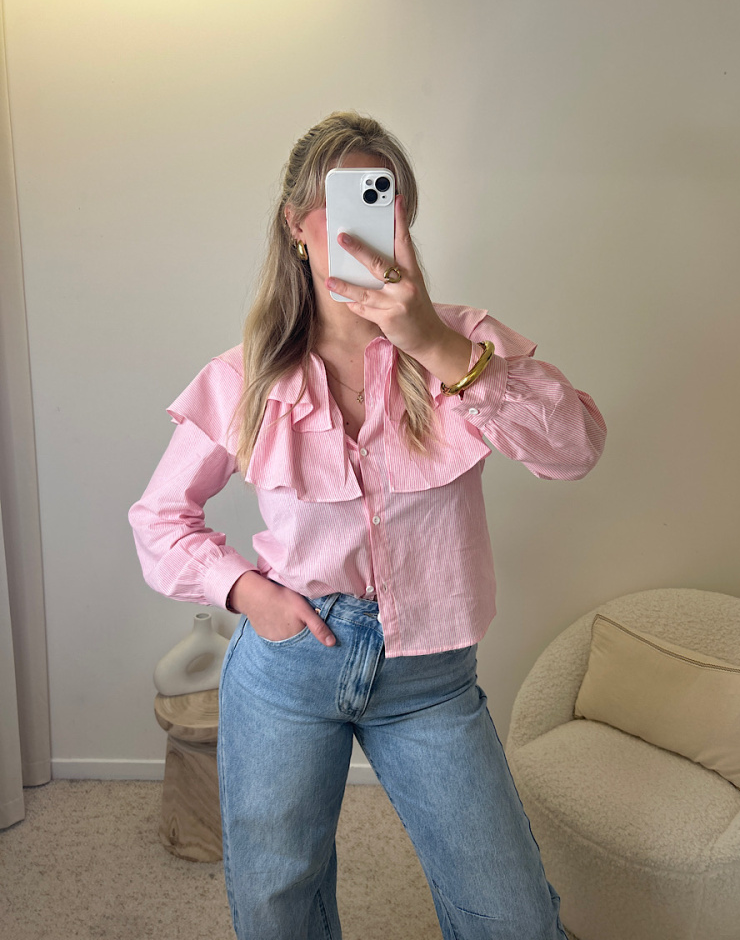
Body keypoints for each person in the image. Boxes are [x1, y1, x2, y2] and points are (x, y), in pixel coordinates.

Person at [129, 111, 606, 940]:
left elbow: (575, 451)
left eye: (383, 200)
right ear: (297, 225)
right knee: (278, 904)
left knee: (514, 917)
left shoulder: (465, 342)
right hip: (289, 666)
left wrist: (434, 345)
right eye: (342, 200)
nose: (366, 222)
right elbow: (160, 517)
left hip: (431, 679)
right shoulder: (246, 378)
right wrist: (246, 591)